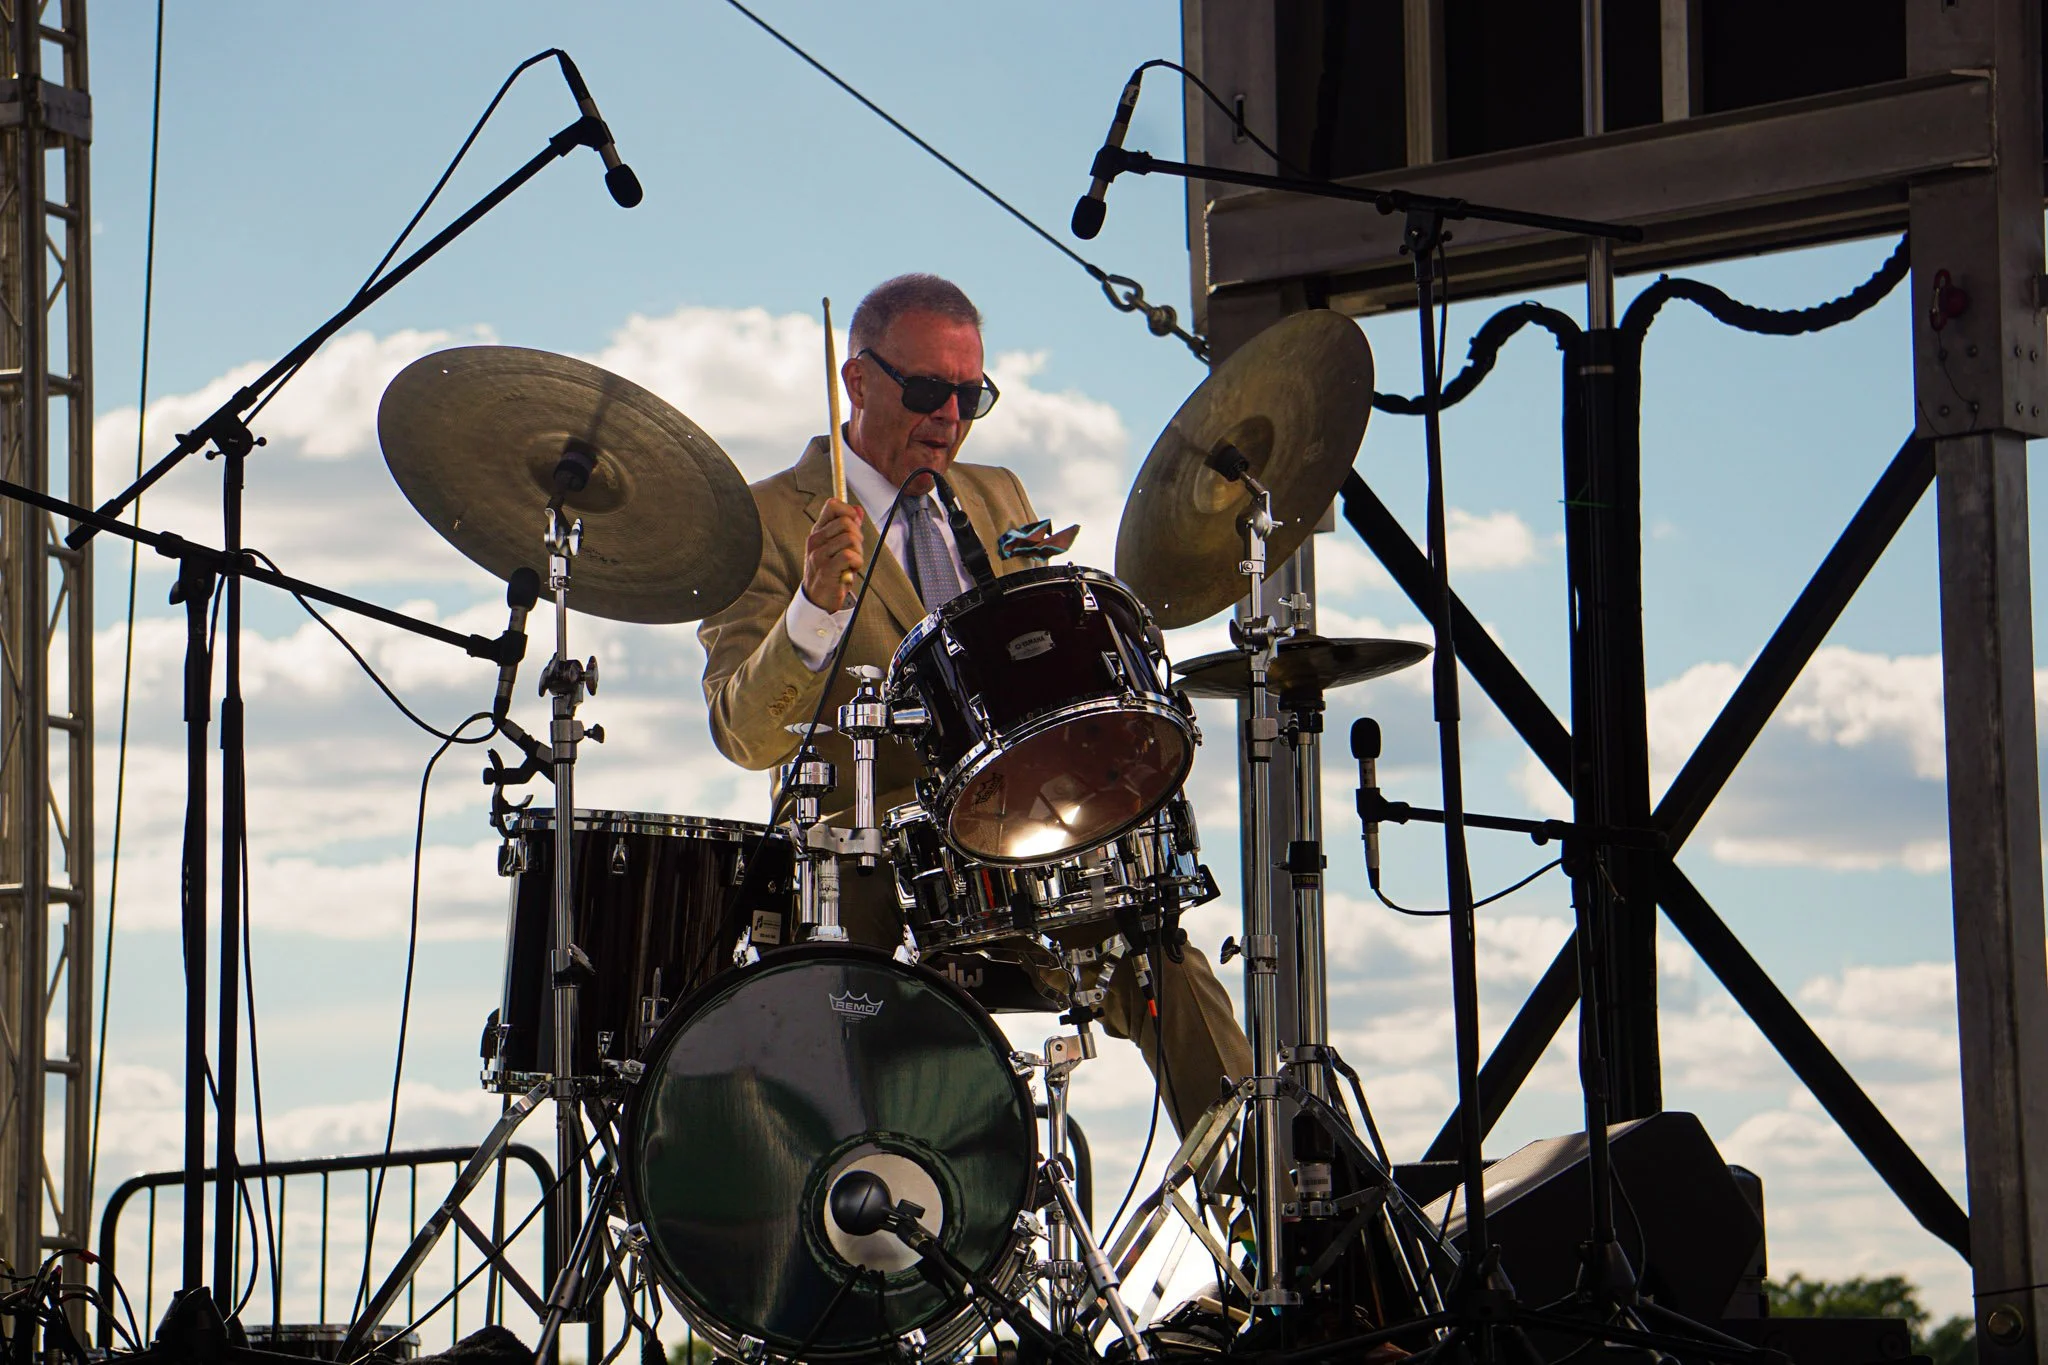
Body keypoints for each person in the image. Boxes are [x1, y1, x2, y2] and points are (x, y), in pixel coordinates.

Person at [698, 273, 1251, 1136]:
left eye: (970, 395)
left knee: (1164, 951)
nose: (950, 417)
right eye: (927, 392)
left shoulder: (999, 494)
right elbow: (743, 731)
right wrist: (811, 610)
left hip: (1023, 843)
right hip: (869, 873)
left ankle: (1274, 1209)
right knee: (854, 1006)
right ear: (858, 383)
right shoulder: (765, 518)